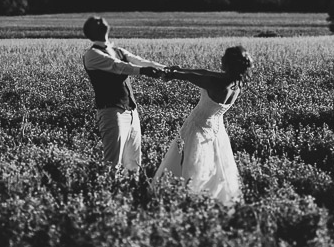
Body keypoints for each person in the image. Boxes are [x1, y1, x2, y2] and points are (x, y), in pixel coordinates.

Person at [153, 45, 253, 205]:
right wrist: (181, 69)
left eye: (223, 59)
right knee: (214, 167)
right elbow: (205, 72)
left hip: (198, 128)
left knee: (190, 167)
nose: (220, 60)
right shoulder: (236, 83)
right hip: (216, 130)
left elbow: (194, 77)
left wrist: (174, 74)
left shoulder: (216, 83)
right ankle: (209, 201)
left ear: (227, 63)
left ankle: (185, 200)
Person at [82, 16, 166, 172]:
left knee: (134, 163)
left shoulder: (117, 50)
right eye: (96, 21)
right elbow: (118, 66)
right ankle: (110, 193)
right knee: (113, 163)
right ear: (91, 32)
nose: (101, 19)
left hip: (131, 110)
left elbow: (140, 61)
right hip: (112, 112)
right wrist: (144, 72)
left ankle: (129, 192)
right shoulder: (92, 55)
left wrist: (166, 69)